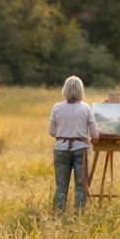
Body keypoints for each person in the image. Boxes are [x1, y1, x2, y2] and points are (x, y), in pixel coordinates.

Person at [48, 76, 100, 212]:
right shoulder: (86, 108)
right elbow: (95, 135)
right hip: (80, 150)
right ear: (81, 91)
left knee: (60, 185)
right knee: (81, 185)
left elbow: (52, 132)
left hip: (60, 149)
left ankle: (58, 214)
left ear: (64, 90)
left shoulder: (56, 107)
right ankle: (78, 216)